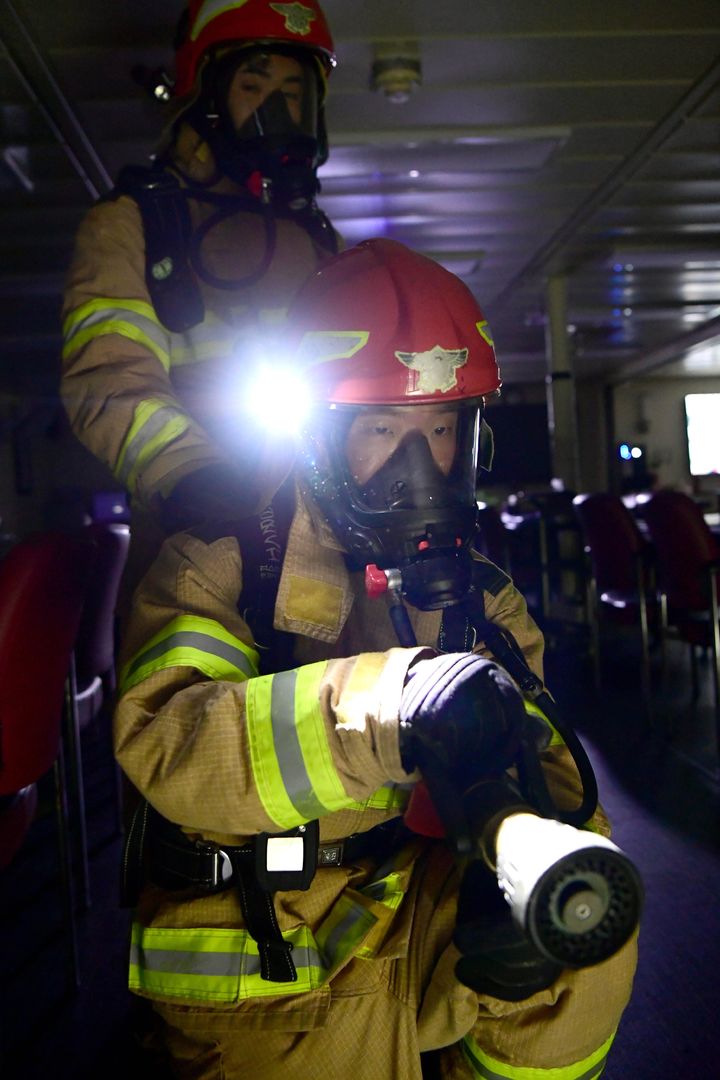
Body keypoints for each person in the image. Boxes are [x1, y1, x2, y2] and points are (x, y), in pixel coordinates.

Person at [114, 239, 637, 1079]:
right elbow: (169, 743)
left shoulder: (481, 594)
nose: (416, 467)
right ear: (319, 439)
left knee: (578, 949)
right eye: (382, 429)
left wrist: (532, 846)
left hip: (418, 907)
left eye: (438, 428)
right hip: (265, 945)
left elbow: (549, 761)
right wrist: (390, 705)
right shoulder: (220, 565)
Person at [60, 0, 339, 589]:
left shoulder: (317, 238)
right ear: (207, 95)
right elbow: (108, 378)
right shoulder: (130, 224)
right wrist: (190, 474)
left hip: (319, 544)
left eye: (295, 91)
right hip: (190, 543)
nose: (278, 109)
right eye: (253, 84)